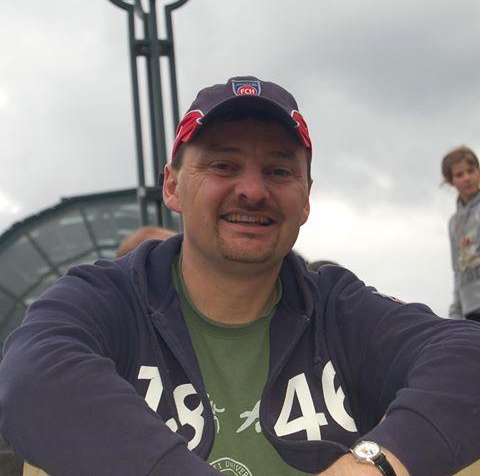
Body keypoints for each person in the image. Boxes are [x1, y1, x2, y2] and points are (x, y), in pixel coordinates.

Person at [0, 76, 479, 476]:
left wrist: (376, 462)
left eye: (279, 171)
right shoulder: (107, 297)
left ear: (306, 199)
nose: (252, 190)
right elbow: (30, 378)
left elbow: (465, 355)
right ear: (172, 185)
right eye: (223, 165)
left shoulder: (339, 308)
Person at [441, 145, 480, 322]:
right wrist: (456, 312)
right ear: (451, 181)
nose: (467, 178)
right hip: (470, 310)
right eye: (459, 174)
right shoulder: (454, 224)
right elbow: (457, 269)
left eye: (471, 171)